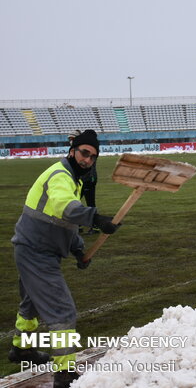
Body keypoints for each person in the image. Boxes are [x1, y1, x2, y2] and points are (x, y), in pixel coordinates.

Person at [9, 129, 120, 388]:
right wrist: (95, 218)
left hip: (34, 249)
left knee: (31, 305)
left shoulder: (74, 180)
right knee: (61, 311)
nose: (87, 160)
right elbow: (64, 208)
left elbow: (63, 223)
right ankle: (65, 372)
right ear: (73, 151)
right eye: (84, 153)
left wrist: (79, 249)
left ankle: (21, 349)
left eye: (92, 157)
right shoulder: (60, 175)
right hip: (36, 252)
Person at [69, 130, 98, 234]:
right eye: (70, 139)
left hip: (86, 180)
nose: (70, 141)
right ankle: (82, 226)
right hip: (87, 179)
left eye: (72, 139)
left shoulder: (84, 151)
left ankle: (89, 226)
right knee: (82, 203)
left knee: (80, 203)